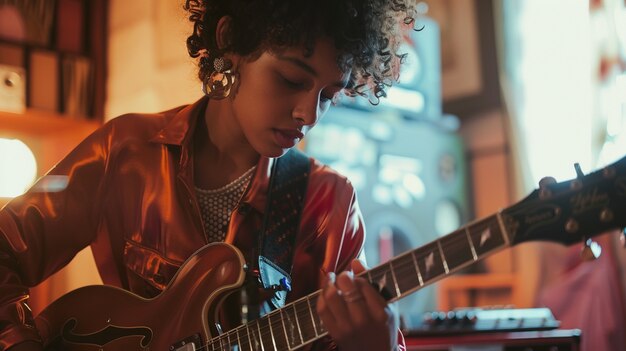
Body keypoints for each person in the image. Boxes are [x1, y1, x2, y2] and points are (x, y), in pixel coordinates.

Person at [0, 0, 419, 349]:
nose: (308, 114)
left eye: (328, 95)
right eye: (292, 79)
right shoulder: (124, 152)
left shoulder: (331, 203)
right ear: (229, 41)